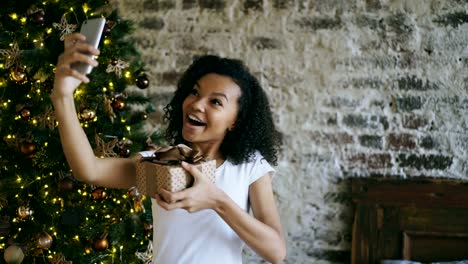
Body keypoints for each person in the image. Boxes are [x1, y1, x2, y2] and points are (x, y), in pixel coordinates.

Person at [51, 33, 286, 264]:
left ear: (236, 121)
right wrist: (62, 96)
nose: (196, 103)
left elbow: (276, 252)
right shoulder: (157, 163)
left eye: (215, 102)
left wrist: (217, 201)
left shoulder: (249, 167)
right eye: (194, 92)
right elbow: (89, 170)